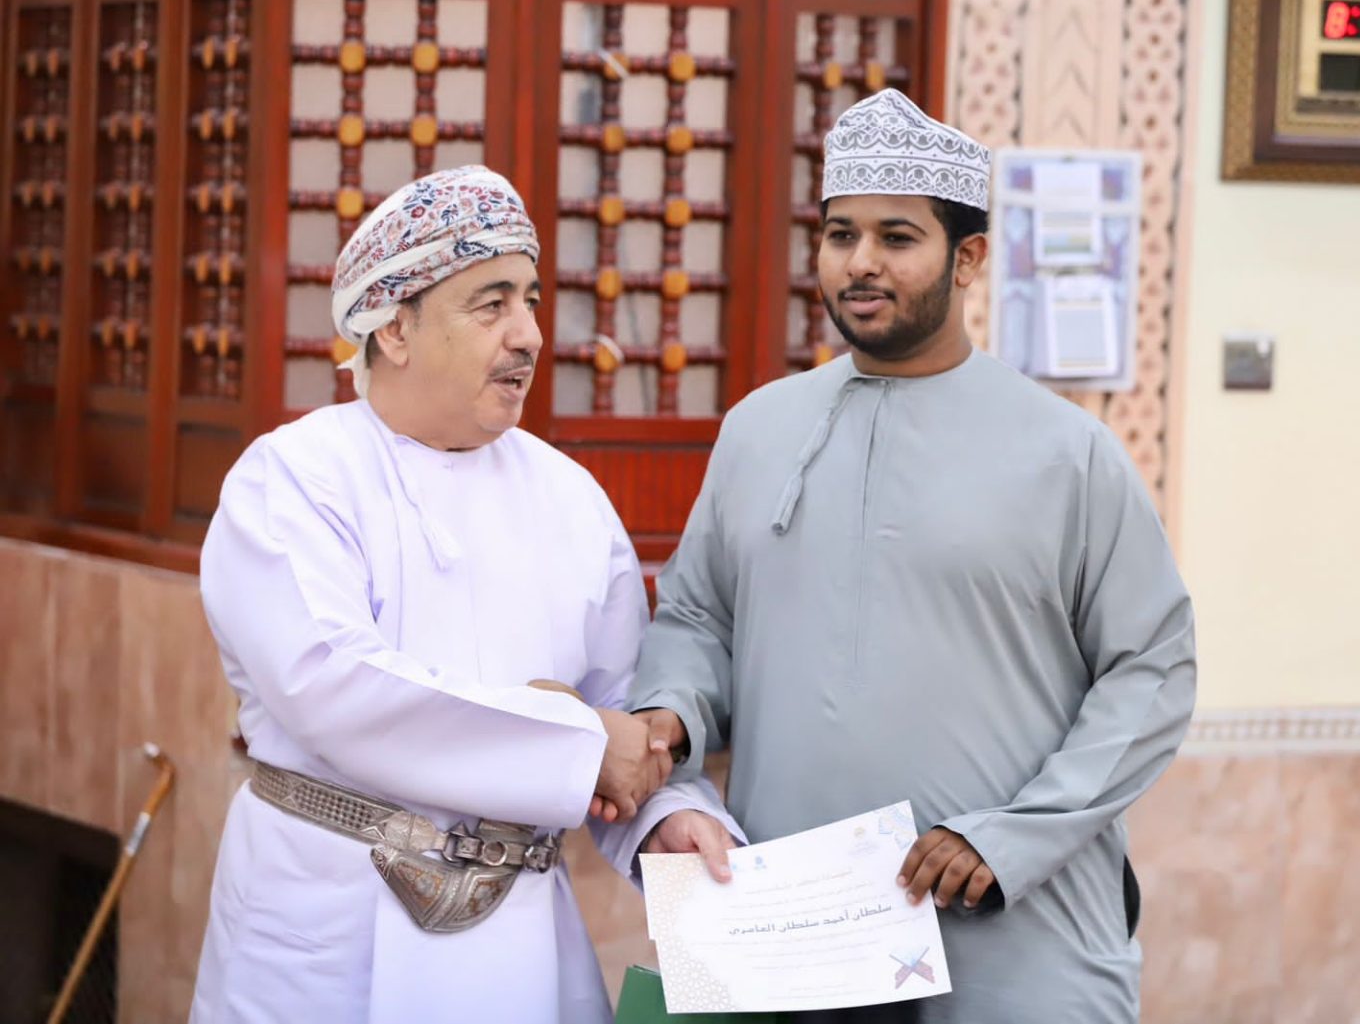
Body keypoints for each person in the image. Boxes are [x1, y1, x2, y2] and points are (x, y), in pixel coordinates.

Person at [627, 91, 1197, 1022]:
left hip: (1014, 935)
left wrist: (1010, 838)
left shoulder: (1066, 450)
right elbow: (697, 618)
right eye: (840, 234)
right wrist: (669, 716)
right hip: (795, 933)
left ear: (968, 258)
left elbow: (1154, 669)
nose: (860, 262)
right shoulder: (758, 430)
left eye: (897, 237)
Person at [191, 165, 738, 1024]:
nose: (529, 335)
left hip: (521, 944)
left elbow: (621, 709)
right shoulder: (293, 477)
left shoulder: (568, 496)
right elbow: (333, 685)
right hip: (329, 938)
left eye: (531, 300)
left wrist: (663, 812)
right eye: (491, 305)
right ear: (395, 326)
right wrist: (579, 746)